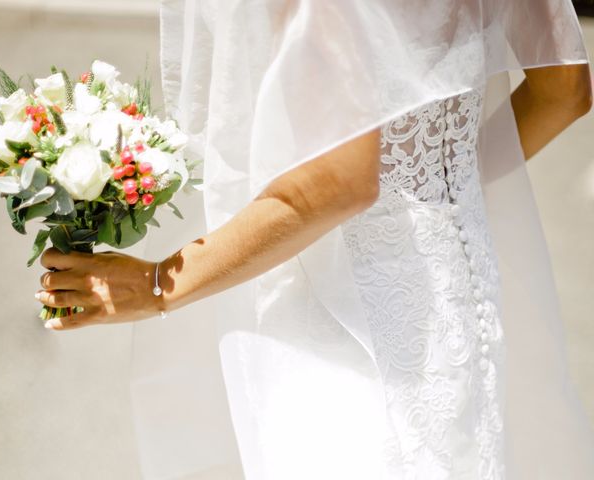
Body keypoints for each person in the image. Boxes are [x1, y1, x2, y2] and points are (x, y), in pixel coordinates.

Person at [36, 1, 594, 478]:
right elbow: (565, 90)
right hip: (459, 297)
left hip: (346, 310)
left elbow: (338, 181)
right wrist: (433, 186)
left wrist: (157, 285)